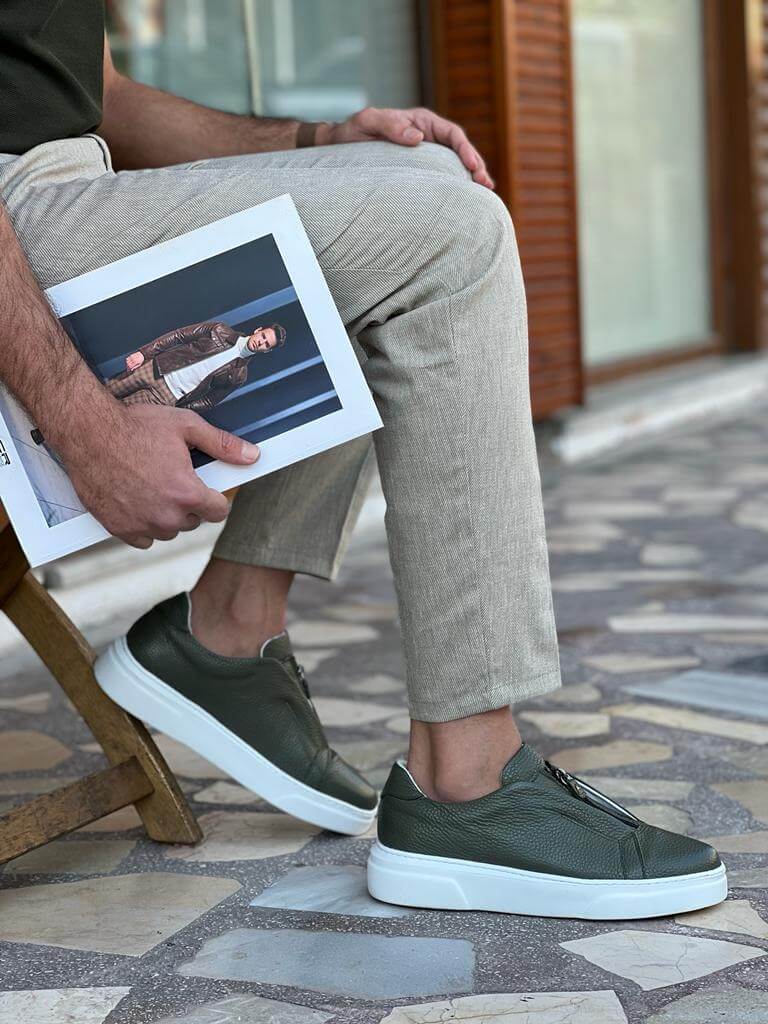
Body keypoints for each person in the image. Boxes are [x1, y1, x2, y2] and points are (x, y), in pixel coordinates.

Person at [0, 3, 725, 919]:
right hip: (18, 224)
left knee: (416, 175)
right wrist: (80, 420)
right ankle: (470, 779)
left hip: (57, 196)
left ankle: (227, 629)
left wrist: (317, 137)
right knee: (447, 244)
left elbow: (95, 96)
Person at [105, 321, 286, 410]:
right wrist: (144, 353)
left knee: (117, 415)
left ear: (266, 351)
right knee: (103, 391)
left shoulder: (239, 375)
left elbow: (209, 400)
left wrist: (181, 410)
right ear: (258, 330)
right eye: (263, 337)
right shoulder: (219, 330)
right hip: (154, 369)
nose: (261, 342)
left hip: (166, 396)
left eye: (266, 344)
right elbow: (178, 336)